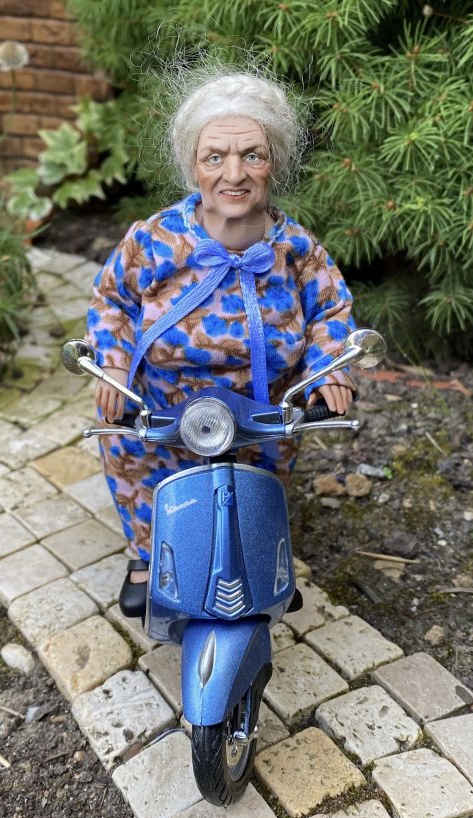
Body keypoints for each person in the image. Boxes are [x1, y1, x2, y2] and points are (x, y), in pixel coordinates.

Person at [86, 70, 356, 618]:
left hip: (262, 407)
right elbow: (112, 299)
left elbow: (331, 310)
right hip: (164, 403)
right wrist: (112, 366)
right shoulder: (152, 239)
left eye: (252, 155)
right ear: (193, 164)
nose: (234, 174)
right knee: (133, 454)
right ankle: (148, 553)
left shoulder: (296, 248)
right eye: (215, 157)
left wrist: (330, 367)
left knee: (264, 478)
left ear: (274, 162)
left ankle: (261, 553)